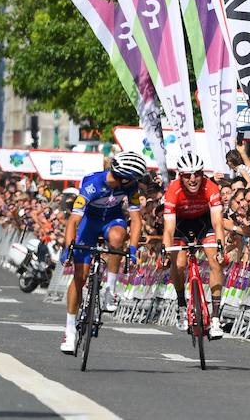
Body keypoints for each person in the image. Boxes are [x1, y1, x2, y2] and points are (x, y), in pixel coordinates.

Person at [59, 151, 147, 354]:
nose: (134, 182)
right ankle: (70, 330)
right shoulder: (92, 184)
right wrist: (69, 248)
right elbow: (74, 220)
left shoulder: (130, 186)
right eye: (131, 179)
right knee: (79, 277)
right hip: (89, 224)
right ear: (122, 176)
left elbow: (136, 220)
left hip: (112, 220)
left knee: (117, 238)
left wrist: (132, 248)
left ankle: (110, 289)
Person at [162, 152, 227, 339]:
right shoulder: (173, 191)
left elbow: (217, 222)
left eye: (197, 174)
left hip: (203, 223)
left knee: (215, 261)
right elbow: (168, 228)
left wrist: (221, 246)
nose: (192, 179)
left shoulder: (211, 187)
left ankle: (215, 319)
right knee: (179, 264)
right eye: (187, 175)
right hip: (180, 226)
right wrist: (166, 251)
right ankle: (182, 304)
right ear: (180, 175)